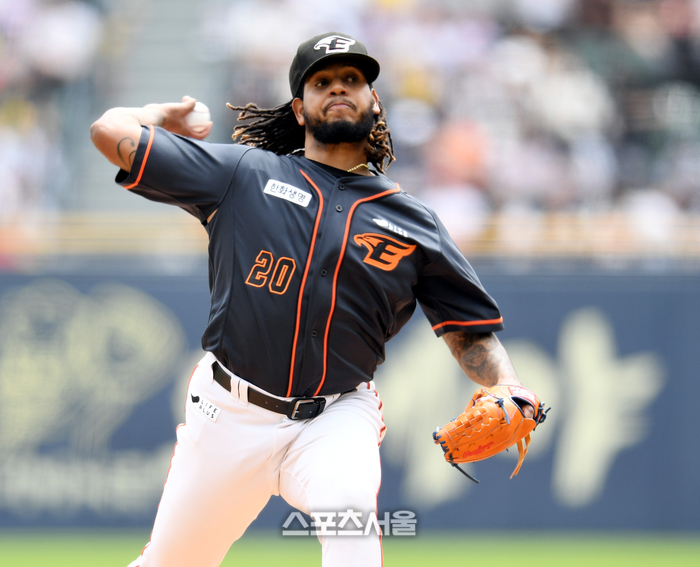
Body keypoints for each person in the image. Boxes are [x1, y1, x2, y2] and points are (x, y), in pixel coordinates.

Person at [91, 31, 536, 567]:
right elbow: (108, 132)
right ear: (300, 110)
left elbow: (470, 331)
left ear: (374, 101)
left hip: (335, 417)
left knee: (353, 538)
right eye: (322, 82)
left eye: (352, 79)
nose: (339, 88)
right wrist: (157, 116)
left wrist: (508, 384)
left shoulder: (414, 222)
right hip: (229, 413)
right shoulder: (244, 174)